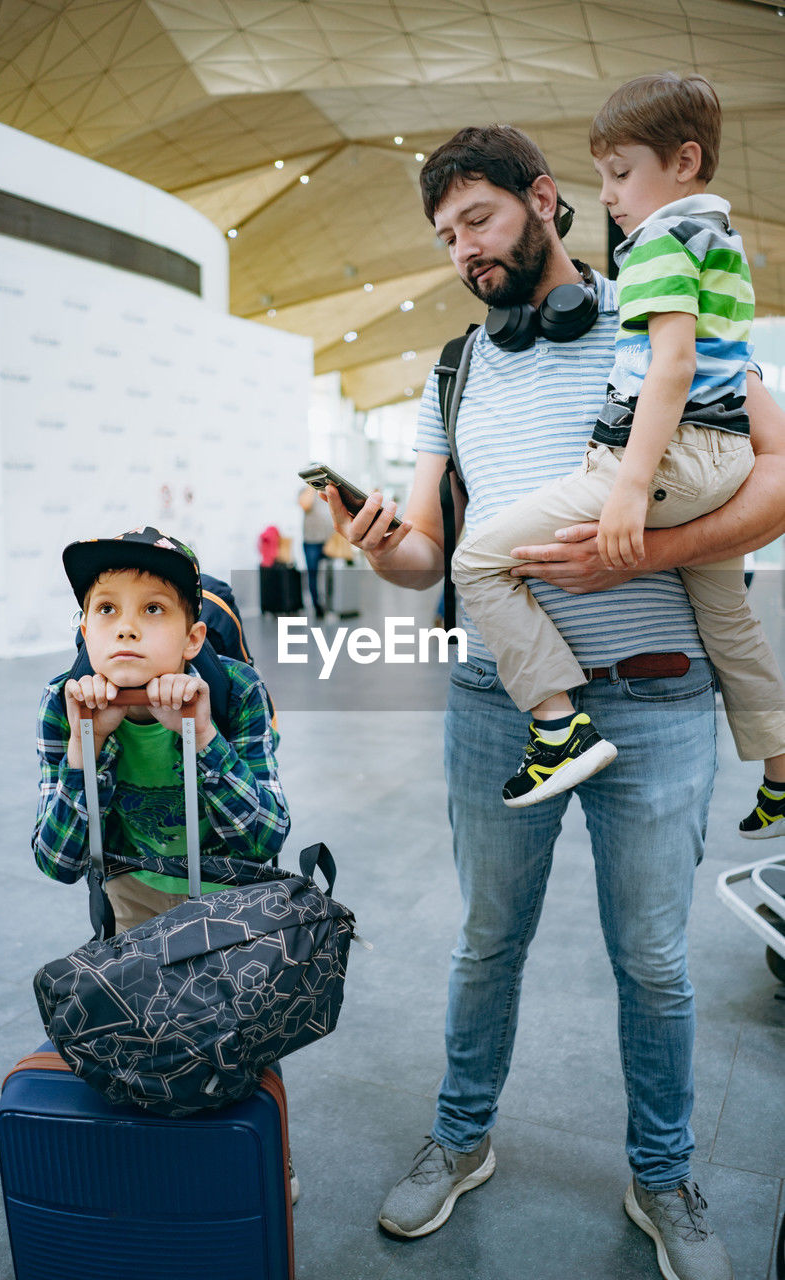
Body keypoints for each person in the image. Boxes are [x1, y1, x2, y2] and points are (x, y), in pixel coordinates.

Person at [323, 120, 785, 1279]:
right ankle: (461, 1136)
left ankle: (663, 1169)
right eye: (444, 236)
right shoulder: (453, 367)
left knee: (655, 959)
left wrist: (631, 555)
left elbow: (776, 473)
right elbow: (434, 552)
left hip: (661, 698)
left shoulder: (661, 307)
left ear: (543, 199)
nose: (462, 250)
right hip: (495, 701)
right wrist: (388, 553)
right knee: (485, 942)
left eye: (476, 219)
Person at [449, 74, 785, 828]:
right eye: (447, 237)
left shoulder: (659, 246)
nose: (606, 194)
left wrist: (630, 497)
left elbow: (670, 365)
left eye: (620, 173)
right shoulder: (716, 239)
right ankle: (779, 764)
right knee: (729, 617)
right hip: (718, 454)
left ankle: (557, 725)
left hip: (668, 464)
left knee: (474, 561)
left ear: (684, 161)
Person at [32, 526, 290, 931]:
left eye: (153, 609)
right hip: (130, 890)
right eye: (106, 609)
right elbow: (58, 862)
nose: (126, 628)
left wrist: (204, 736)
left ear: (192, 639)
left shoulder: (238, 691)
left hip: (228, 890)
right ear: (86, 633)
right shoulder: (63, 704)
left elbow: (265, 840)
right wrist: (87, 746)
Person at [299, 483, 331, 619]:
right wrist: (312, 487)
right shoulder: (305, 491)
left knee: (331, 574)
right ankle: (317, 606)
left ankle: (332, 604)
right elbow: (305, 505)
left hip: (329, 540)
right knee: (313, 574)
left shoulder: (328, 490)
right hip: (312, 541)